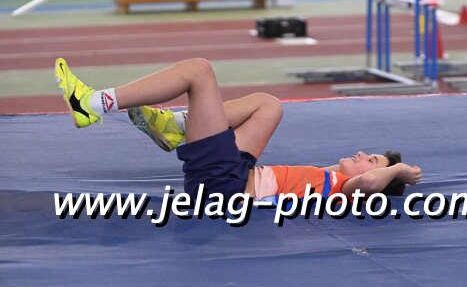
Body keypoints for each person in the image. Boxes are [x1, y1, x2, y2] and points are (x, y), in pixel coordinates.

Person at [55, 56, 422, 205]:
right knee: (269, 105)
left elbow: (370, 183)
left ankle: (92, 104)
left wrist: (400, 171)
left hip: (225, 185)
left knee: (198, 71)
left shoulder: (348, 191)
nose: (362, 154)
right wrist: (385, 168)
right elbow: (365, 176)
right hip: (237, 174)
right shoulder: (330, 179)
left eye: (371, 160)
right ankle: (178, 125)